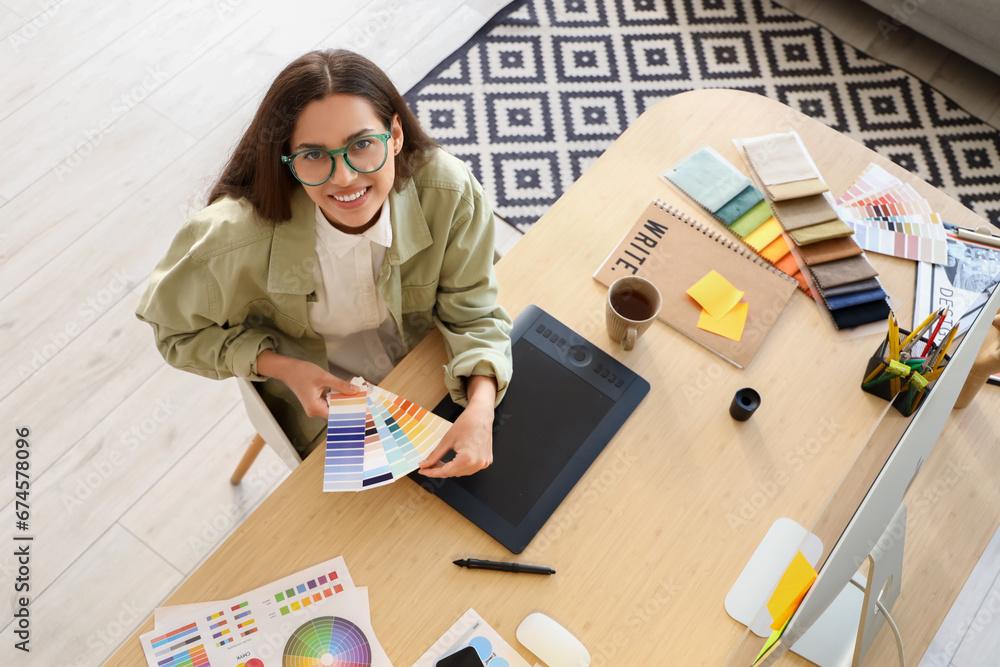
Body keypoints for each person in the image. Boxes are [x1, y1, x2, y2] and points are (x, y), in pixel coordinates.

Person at [136, 49, 512, 478]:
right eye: (314, 155)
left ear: (396, 134)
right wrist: (281, 367)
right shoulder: (227, 241)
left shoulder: (449, 190)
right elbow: (174, 334)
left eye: (363, 145)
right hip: (327, 413)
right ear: (288, 160)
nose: (344, 177)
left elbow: (474, 311)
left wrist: (481, 408)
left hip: (434, 367)